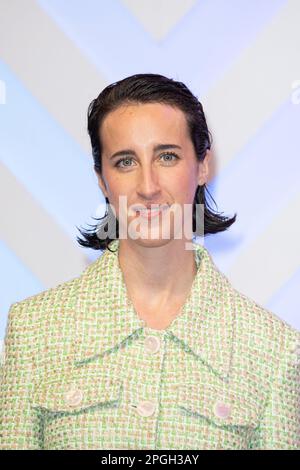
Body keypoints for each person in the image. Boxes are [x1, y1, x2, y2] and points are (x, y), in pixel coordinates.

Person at [0, 73, 299, 450]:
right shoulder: (34, 330)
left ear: (203, 165)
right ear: (102, 180)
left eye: (167, 156)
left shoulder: (273, 350)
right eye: (125, 161)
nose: (148, 186)